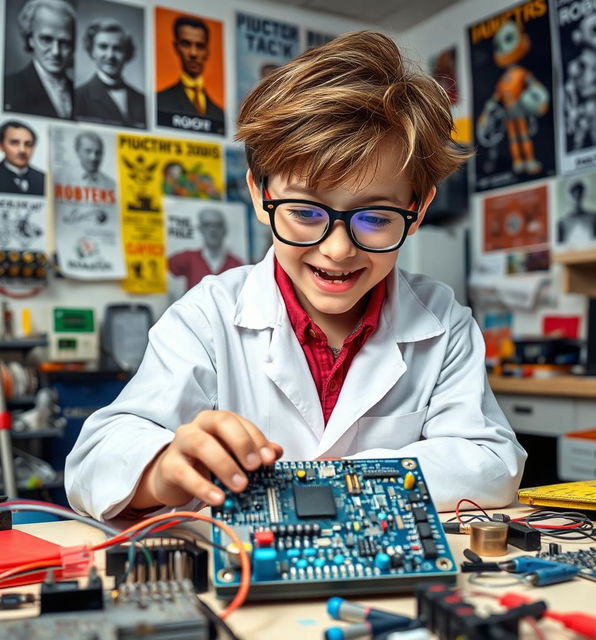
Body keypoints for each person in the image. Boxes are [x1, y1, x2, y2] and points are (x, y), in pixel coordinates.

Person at [66, 31, 526, 522]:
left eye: (374, 218)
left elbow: (491, 464)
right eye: (305, 212)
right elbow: (96, 462)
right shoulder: (210, 314)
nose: (337, 249)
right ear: (259, 194)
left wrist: (322, 486)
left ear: (418, 209)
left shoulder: (443, 322)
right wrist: (162, 468)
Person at [4, 0, 75, 119]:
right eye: (46, 40)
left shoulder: (79, 92)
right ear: (30, 39)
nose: (55, 52)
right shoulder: (8, 87)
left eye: (64, 43)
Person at [156, 15, 225, 134]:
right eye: (186, 44)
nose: (193, 53)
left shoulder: (220, 113)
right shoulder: (159, 100)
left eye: (200, 46)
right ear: (176, 47)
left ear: (207, 52)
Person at [74, 19, 146, 129]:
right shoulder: (78, 97)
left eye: (117, 48)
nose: (110, 55)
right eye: (103, 47)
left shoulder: (142, 99)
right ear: (92, 51)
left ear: (127, 54)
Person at [168, 208, 243, 289]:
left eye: (217, 225)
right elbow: (161, 267)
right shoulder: (188, 258)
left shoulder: (237, 265)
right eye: (207, 225)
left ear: (224, 229)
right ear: (200, 229)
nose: (212, 230)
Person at [0, 121, 45, 195]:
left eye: (28, 144)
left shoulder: (44, 180)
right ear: (1, 146)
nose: (22, 150)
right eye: (14, 143)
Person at [557, 179, 596, 244]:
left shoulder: (594, 217)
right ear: (569, 196)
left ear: (583, 195)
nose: (577, 198)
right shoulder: (562, 222)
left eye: (580, 194)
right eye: (574, 194)